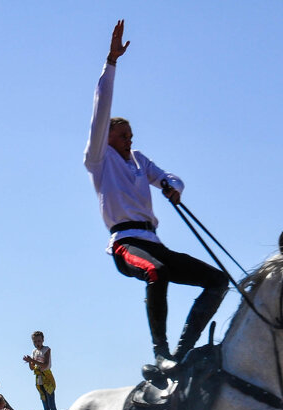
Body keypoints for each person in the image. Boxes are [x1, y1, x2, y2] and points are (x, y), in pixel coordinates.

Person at [84, 20, 228, 374]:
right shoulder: (99, 159)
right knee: (157, 272)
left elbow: (167, 176)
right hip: (126, 244)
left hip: (154, 241)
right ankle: (159, 352)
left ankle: (179, 352)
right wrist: (111, 62)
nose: (129, 139)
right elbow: (101, 106)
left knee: (218, 280)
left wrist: (170, 186)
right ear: (108, 137)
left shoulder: (137, 160)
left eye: (131, 134)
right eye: (123, 135)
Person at [22, 331, 58, 410]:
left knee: (51, 403)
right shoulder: (34, 352)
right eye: (35, 341)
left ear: (42, 340)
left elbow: (45, 364)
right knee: (44, 403)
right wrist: (30, 362)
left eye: (39, 341)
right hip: (39, 378)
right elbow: (32, 367)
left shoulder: (46, 349)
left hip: (47, 377)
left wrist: (32, 361)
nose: (37, 343)